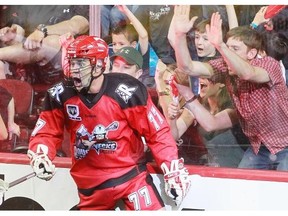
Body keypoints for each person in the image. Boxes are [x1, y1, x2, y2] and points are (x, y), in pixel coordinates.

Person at [27, 35, 191, 210]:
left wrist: (171, 168)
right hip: (90, 183)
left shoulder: (128, 91)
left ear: (100, 64)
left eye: (81, 63)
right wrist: (41, 154)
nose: (74, 69)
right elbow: (46, 133)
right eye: (72, 62)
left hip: (131, 178)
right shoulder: (60, 94)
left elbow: (157, 133)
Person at [171, 5, 288, 171]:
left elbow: (248, 73)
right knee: (241, 188)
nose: (227, 55)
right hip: (259, 149)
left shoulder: (269, 64)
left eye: (235, 49)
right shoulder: (225, 66)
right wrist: (179, 35)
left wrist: (221, 46)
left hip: (286, 146)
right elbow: (188, 67)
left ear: (252, 54)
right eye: (228, 47)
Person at [0, 5, 89, 84]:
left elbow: (79, 25)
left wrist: (43, 31)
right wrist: (11, 37)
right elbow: (18, 32)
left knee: (53, 41)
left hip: (60, 66)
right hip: (28, 63)